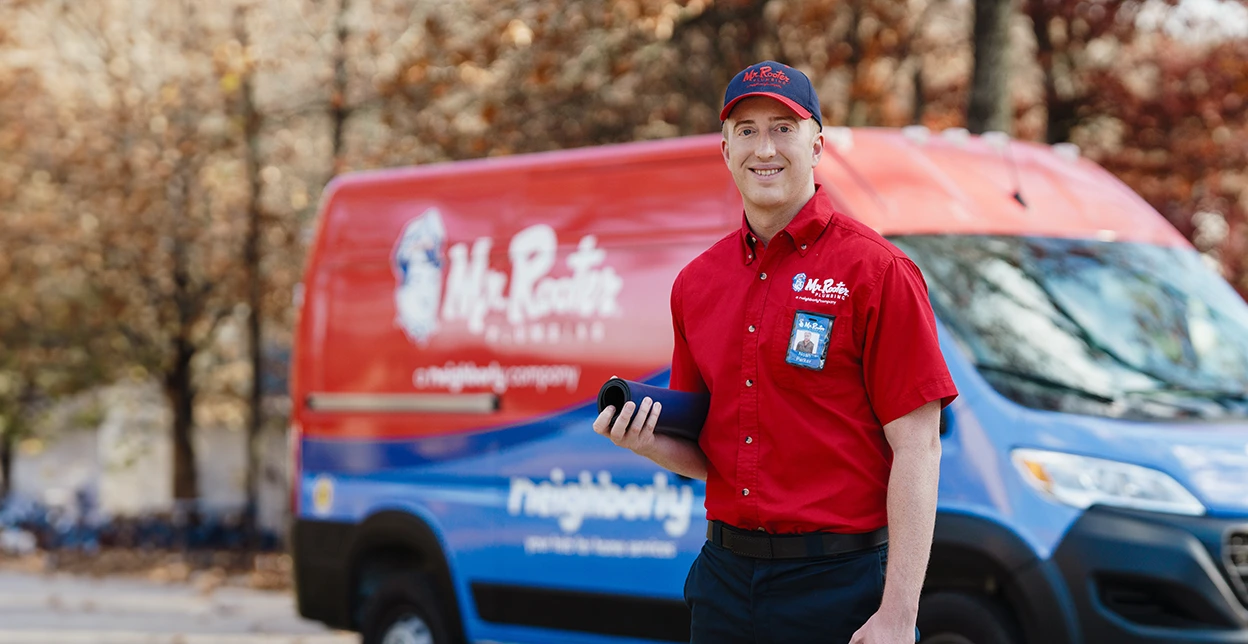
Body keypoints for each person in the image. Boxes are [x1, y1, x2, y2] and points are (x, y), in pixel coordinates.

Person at [593, 60, 958, 644]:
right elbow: (707, 448)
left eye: (783, 128)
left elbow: (919, 447)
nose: (765, 147)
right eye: (747, 130)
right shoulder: (695, 283)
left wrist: (898, 615)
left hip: (840, 585)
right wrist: (647, 443)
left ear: (817, 143)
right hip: (725, 583)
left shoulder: (877, 272)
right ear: (725, 150)